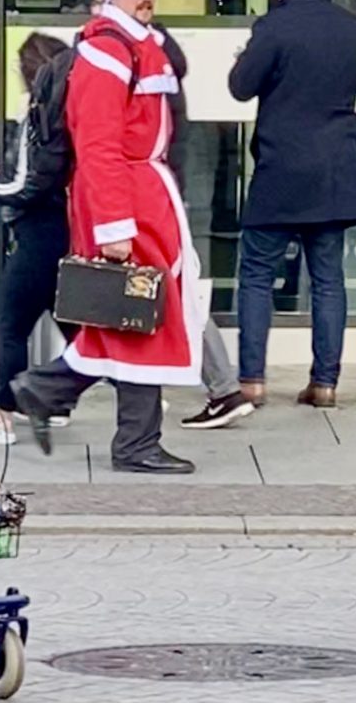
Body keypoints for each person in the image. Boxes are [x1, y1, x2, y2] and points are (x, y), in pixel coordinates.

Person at [12, 0, 202, 474]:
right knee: (140, 313)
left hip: (142, 193)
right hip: (128, 198)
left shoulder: (130, 47)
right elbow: (97, 146)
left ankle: (50, 390)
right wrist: (114, 226)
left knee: (133, 315)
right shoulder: (108, 53)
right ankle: (129, 439)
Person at [229, 0, 356, 408]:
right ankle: (325, 383)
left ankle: (252, 382)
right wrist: (351, 144)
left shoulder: (273, 27)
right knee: (328, 279)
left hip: (279, 168)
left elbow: (240, 87)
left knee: (258, 274)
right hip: (333, 173)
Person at [0, 33, 73, 446]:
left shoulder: (39, 117)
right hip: (64, 231)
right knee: (78, 330)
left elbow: (26, 184)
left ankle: (2, 412)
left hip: (38, 232)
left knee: (12, 324)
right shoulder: (68, 114)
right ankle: (58, 400)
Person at [151, 22, 254, 430]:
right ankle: (218, 387)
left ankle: (216, 388)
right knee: (174, 292)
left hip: (154, 201)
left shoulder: (151, 91)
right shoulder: (166, 90)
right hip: (166, 197)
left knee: (169, 293)